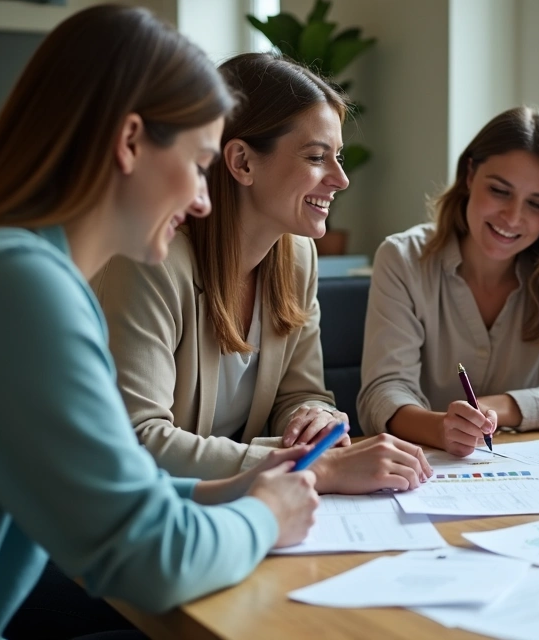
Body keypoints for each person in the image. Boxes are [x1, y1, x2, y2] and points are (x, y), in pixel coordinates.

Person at [0, 7, 319, 638]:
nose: (202, 198)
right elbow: (147, 558)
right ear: (130, 142)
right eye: (197, 164)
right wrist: (267, 516)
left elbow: (118, 491)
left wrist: (234, 489)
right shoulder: (13, 288)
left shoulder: (8, 265)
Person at [93, 53, 431, 492]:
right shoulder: (149, 263)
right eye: (316, 157)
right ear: (242, 162)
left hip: (237, 508)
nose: (341, 179)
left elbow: (300, 393)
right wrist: (313, 468)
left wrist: (314, 420)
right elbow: (139, 440)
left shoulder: (297, 257)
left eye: (339, 157)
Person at [359, 106, 539, 457]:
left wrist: (499, 407)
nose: (512, 217)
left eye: (536, 204)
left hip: (527, 465)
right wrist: (440, 428)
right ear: (470, 174)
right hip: (424, 464)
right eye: (499, 191)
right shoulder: (403, 259)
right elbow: (383, 391)